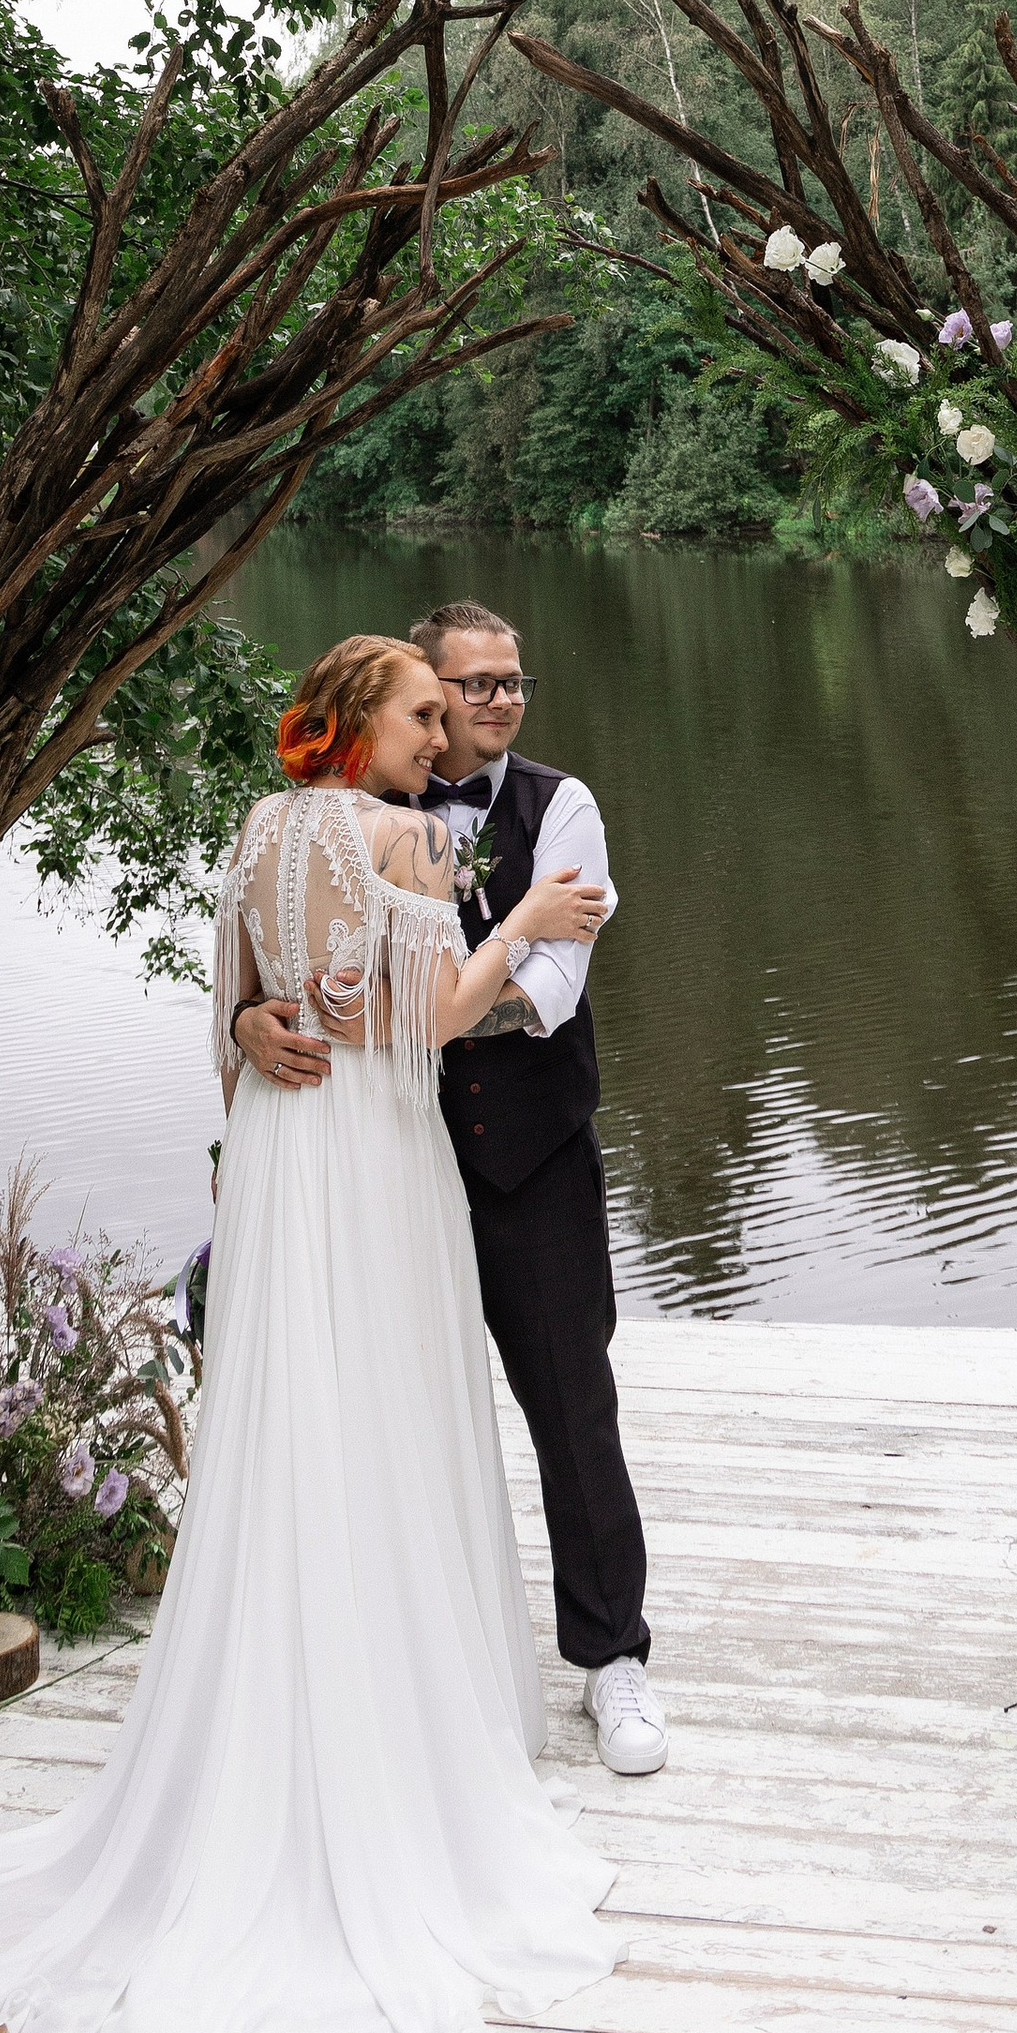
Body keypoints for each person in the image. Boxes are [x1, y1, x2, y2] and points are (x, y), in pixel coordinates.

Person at [0, 635, 620, 2033]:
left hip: (281, 1148)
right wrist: (525, 914)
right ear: (359, 724)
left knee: (292, 1412)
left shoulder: (261, 827)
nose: (439, 738)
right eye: (420, 715)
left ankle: (287, 1701)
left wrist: (250, 1025)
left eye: (450, 714)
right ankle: (396, 1731)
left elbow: (244, 1000)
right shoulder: (407, 836)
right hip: (373, 1144)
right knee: (388, 1413)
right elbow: (426, 1017)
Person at [245, 599, 662, 1776]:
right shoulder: (348, 812)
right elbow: (284, 955)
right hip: (392, 1160)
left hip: (530, 1159)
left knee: (571, 1408)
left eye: (512, 682)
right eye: (470, 686)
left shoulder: (561, 808)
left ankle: (611, 1659)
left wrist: (376, 1013)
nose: (496, 703)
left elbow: (548, 991)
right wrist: (251, 1017)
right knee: (391, 1412)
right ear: (418, 694)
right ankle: (405, 1665)